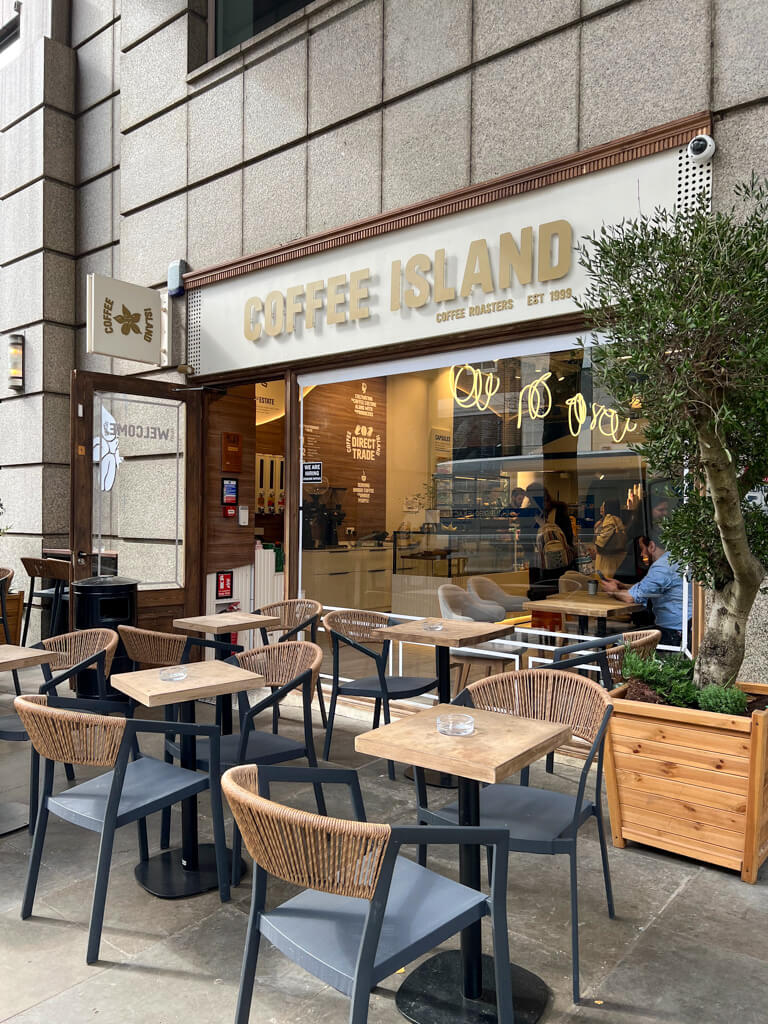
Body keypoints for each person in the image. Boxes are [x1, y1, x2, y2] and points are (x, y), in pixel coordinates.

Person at [601, 531, 691, 646]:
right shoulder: (678, 560)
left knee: (618, 646)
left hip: (674, 633)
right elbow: (651, 588)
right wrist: (624, 587)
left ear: (652, 546)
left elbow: (631, 598)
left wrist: (613, 590)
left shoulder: (662, 567)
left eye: (642, 549)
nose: (641, 554)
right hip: (684, 629)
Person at [593, 498, 628, 578]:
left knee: (604, 582)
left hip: (607, 560)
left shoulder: (610, 519)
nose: (601, 507)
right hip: (614, 559)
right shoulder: (616, 519)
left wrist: (596, 544)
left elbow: (601, 541)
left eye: (603, 505)